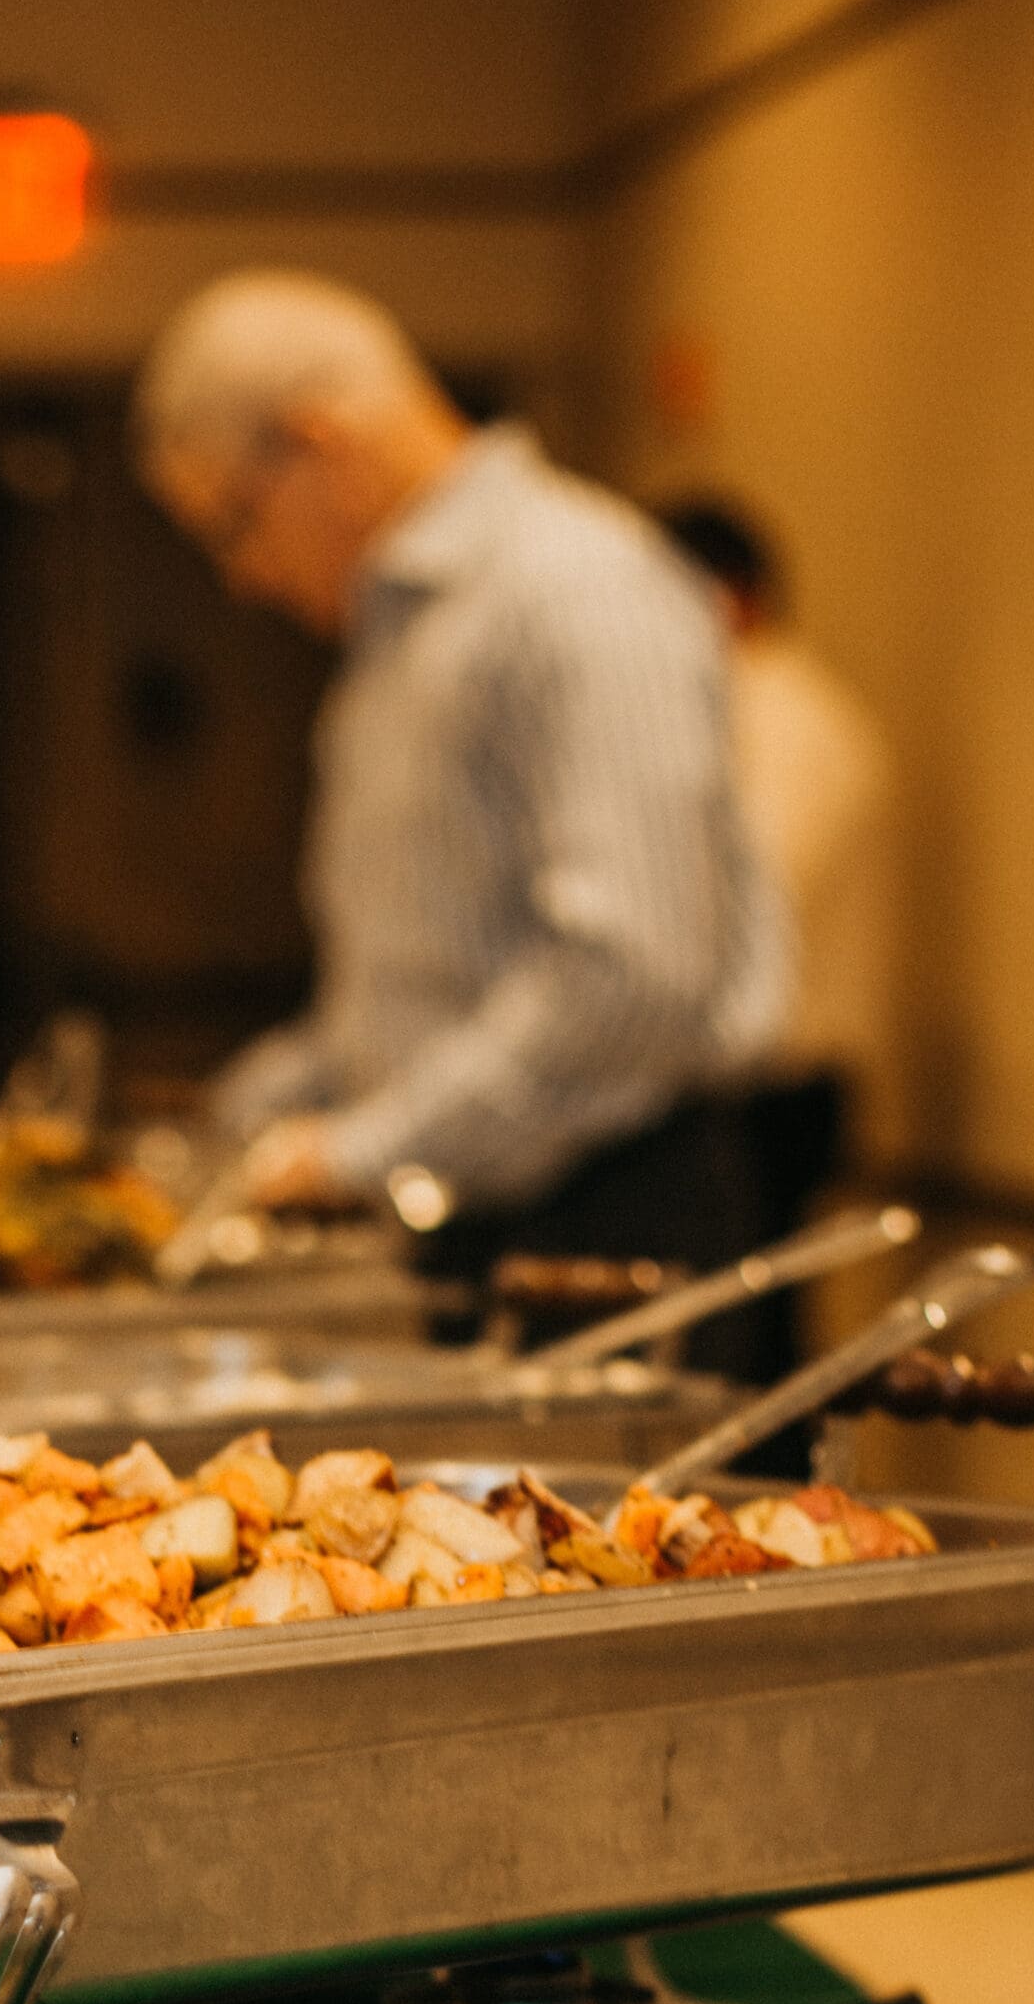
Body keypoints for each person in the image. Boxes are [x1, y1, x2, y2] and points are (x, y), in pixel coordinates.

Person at [133, 273, 785, 1281]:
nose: (242, 576)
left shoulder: (575, 587)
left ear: (321, 445)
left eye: (232, 523)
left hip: (602, 1229)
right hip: (475, 1213)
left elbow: (633, 976)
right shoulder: (400, 633)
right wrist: (245, 1114)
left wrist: (361, 1151)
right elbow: (412, 988)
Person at [658, 493, 898, 1165]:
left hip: (773, 1082)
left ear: (730, 598)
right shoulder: (734, 708)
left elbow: (753, 892)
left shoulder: (788, 720)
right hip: (737, 1076)